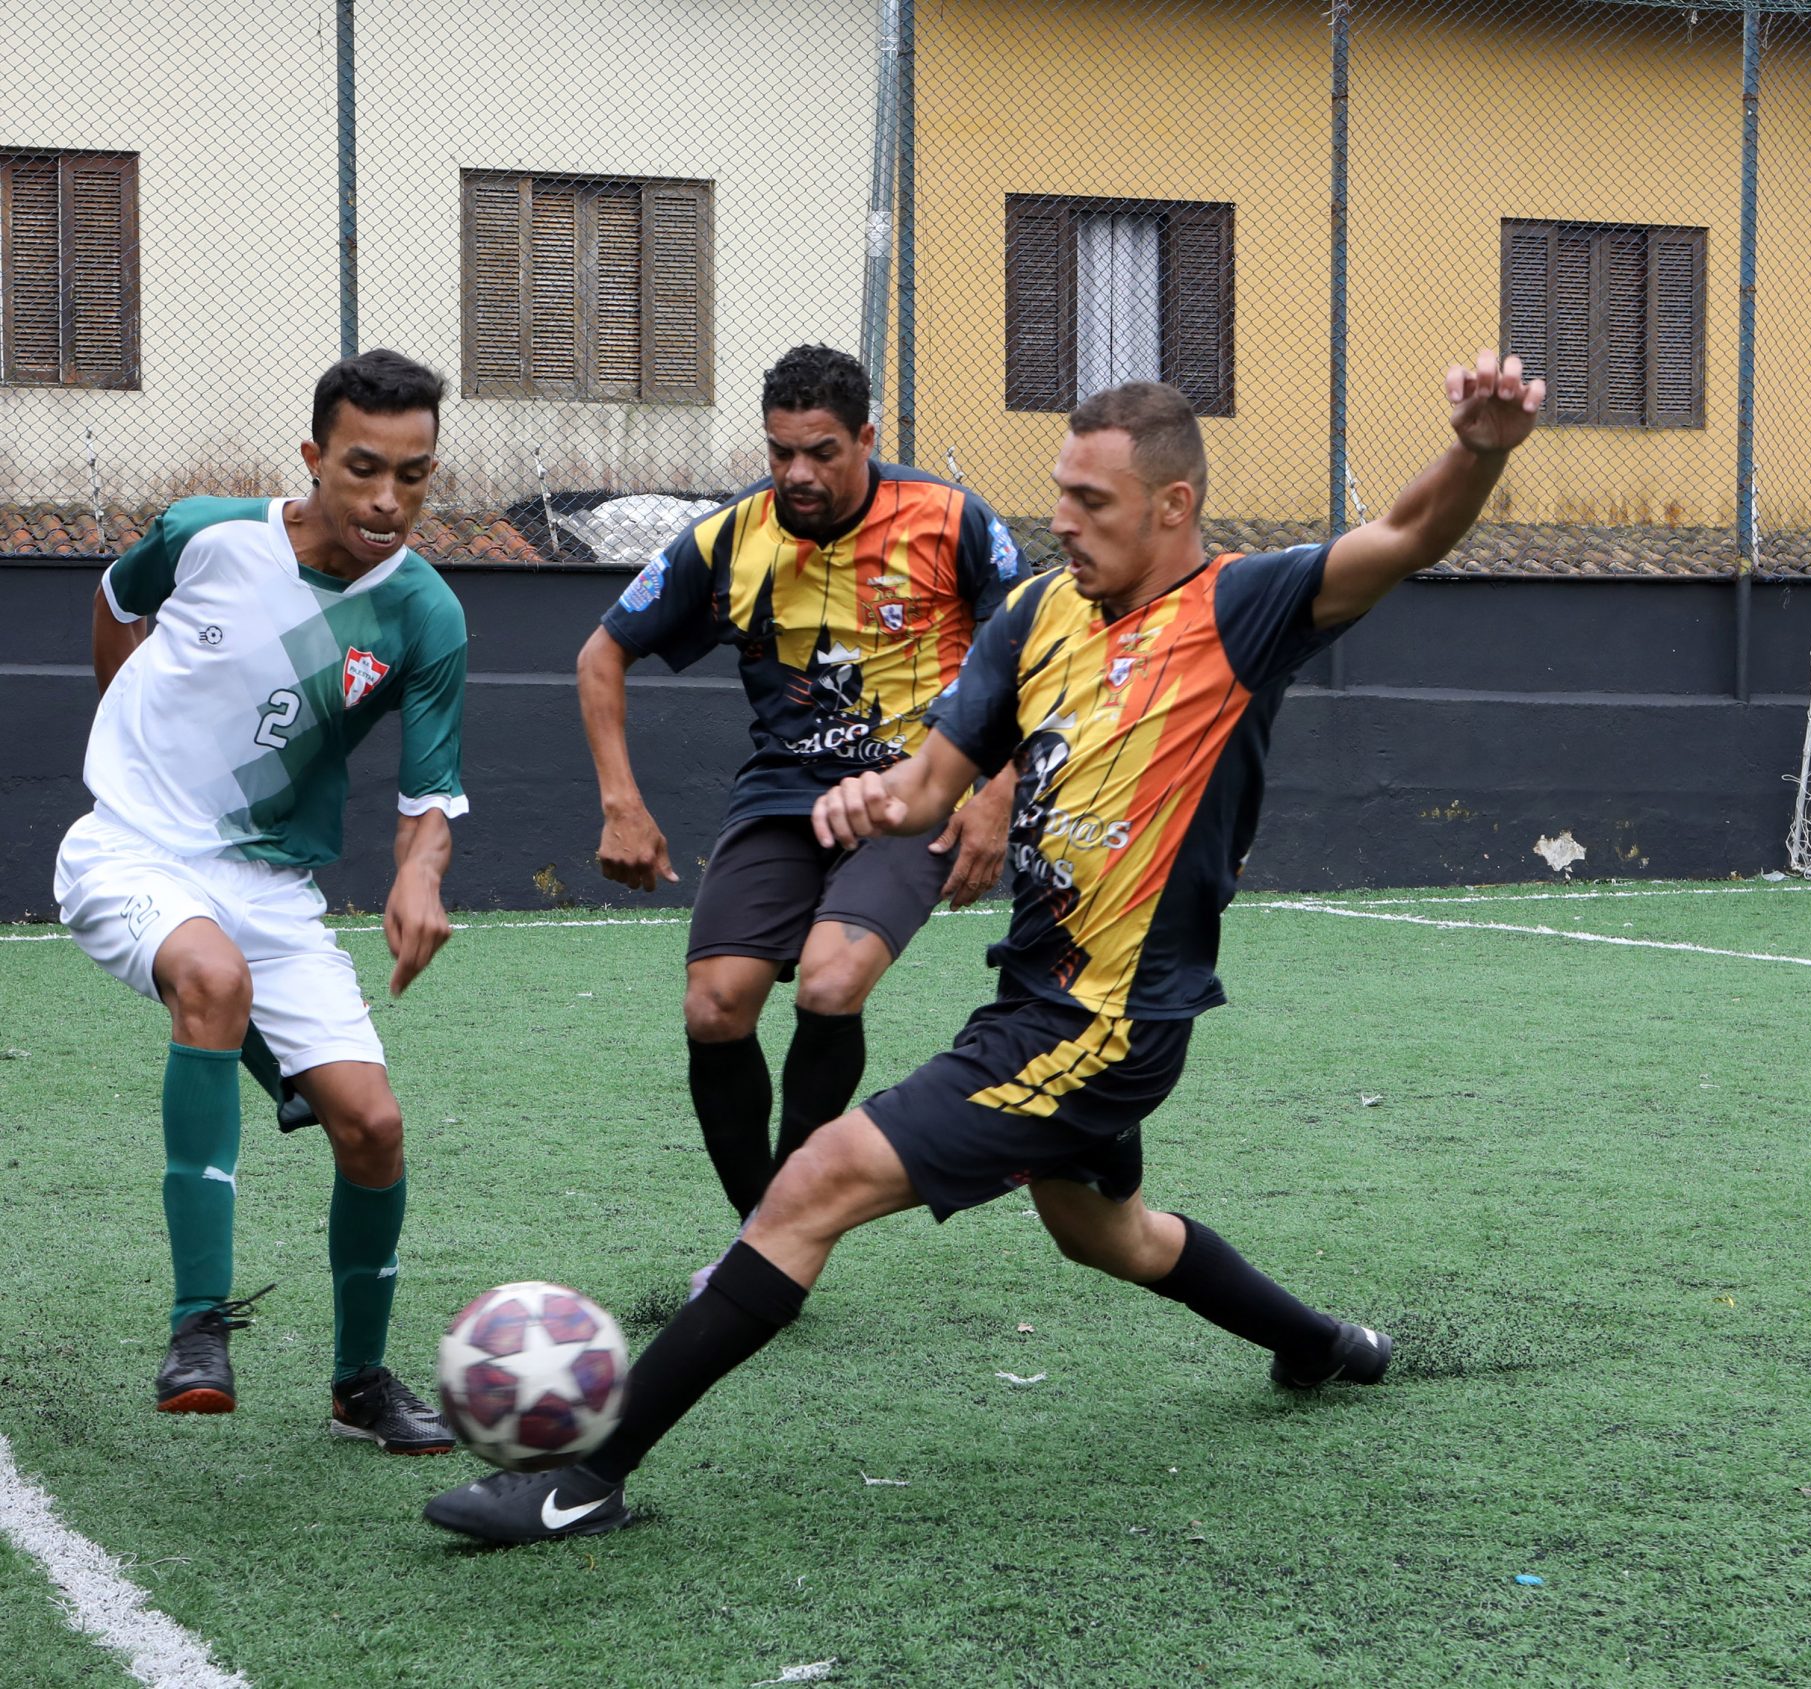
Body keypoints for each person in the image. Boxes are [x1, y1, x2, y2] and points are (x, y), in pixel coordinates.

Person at [425, 349, 1546, 1543]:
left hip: (1099, 1022)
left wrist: (1476, 448)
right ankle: (1327, 1348)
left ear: (1174, 508)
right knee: (1105, 1231)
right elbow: (933, 783)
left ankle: (579, 1478)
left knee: (808, 1187)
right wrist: (881, 803)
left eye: (1092, 503)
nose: (1062, 522)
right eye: (1059, 492)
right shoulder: (1034, 615)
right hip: (1041, 996)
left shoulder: (1241, 609)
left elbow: (1407, 536)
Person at [53, 349, 465, 1451]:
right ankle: (198, 1326)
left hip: (273, 888)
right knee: (210, 980)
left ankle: (360, 1384)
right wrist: (126, 739)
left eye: (415, 476)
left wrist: (417, 877)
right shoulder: (209, 533)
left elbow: (431, 798)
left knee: (372, 1128)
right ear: (314, 458)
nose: (388, 500)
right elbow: (112, 601)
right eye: (364, 469)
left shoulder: (425, 615)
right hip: (130, 849)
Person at [575, 345, 1019, 1245]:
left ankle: (791, 1218)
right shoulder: (730, 537)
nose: (797, 473)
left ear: (866, 437)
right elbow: (600, 654)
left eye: (821, 451)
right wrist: (622, 802)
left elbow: (1034, 656)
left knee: (829, 980)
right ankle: (762, 1225)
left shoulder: (953, 520)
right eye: (781, 452)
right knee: (714, 1006)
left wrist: (995, 794)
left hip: (911, 796)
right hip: (782, 796)